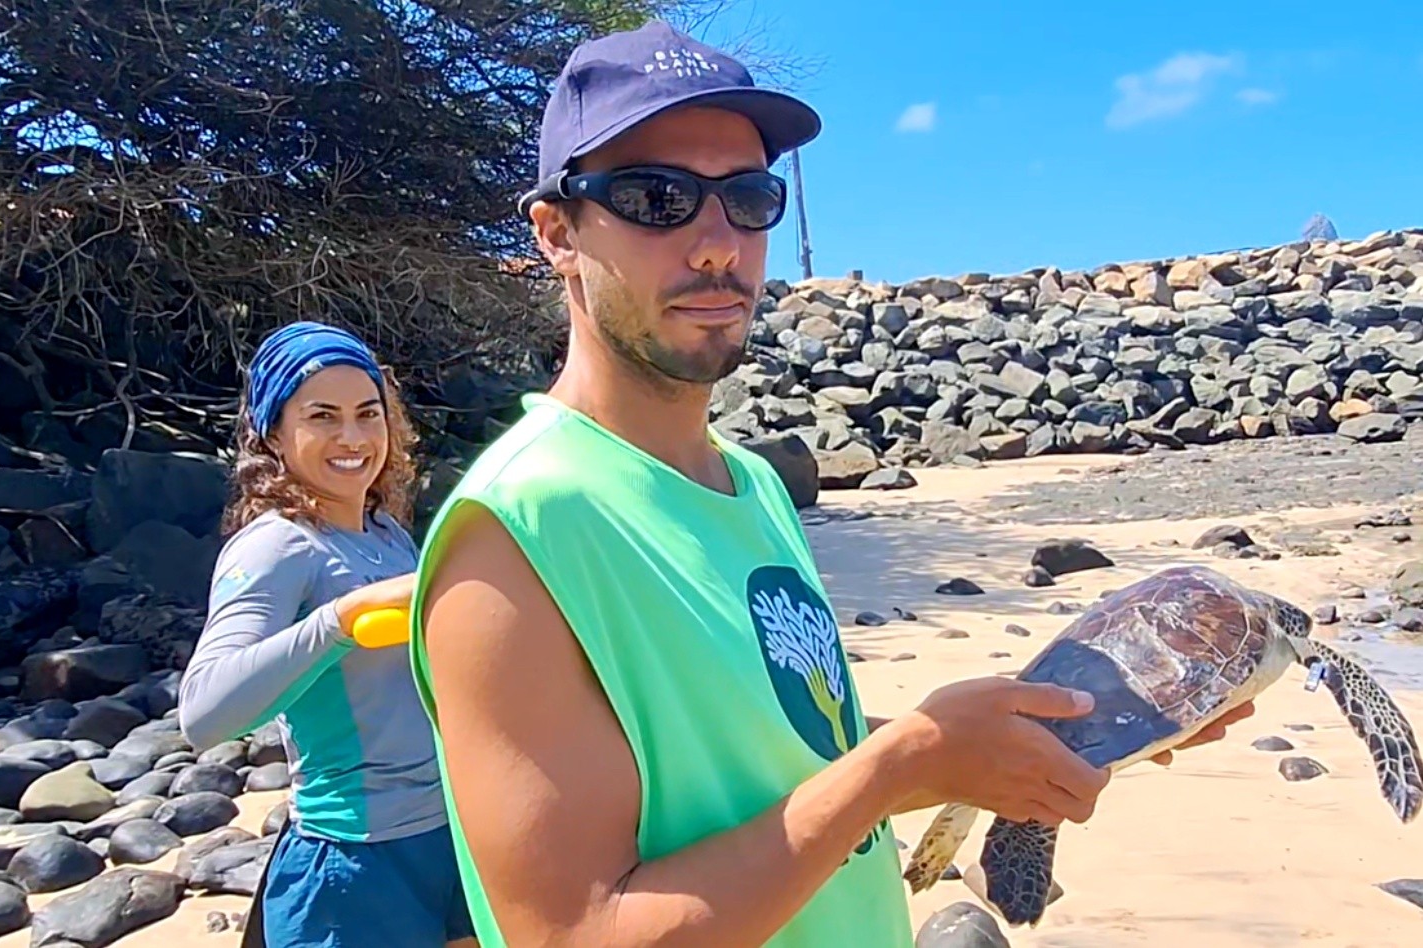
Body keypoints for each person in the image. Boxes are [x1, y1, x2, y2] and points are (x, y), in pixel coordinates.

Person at [406, 20, 1256, 948]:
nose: (716, 244)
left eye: (747, 197)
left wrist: (1012, 739)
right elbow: (574, 932)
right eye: (659, 198)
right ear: (556, 233)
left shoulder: (752, 488)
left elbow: (777, 766)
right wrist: (898, 767)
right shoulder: (514, 534)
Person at [178, 321, 475, 948]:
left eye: (369, 414)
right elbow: (203, 713)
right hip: (352, 867)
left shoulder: (387, 534)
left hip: (448, 838)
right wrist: (336, 623)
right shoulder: (275, 546)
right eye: (323, 416)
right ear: (274, 434)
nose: (353, 437)